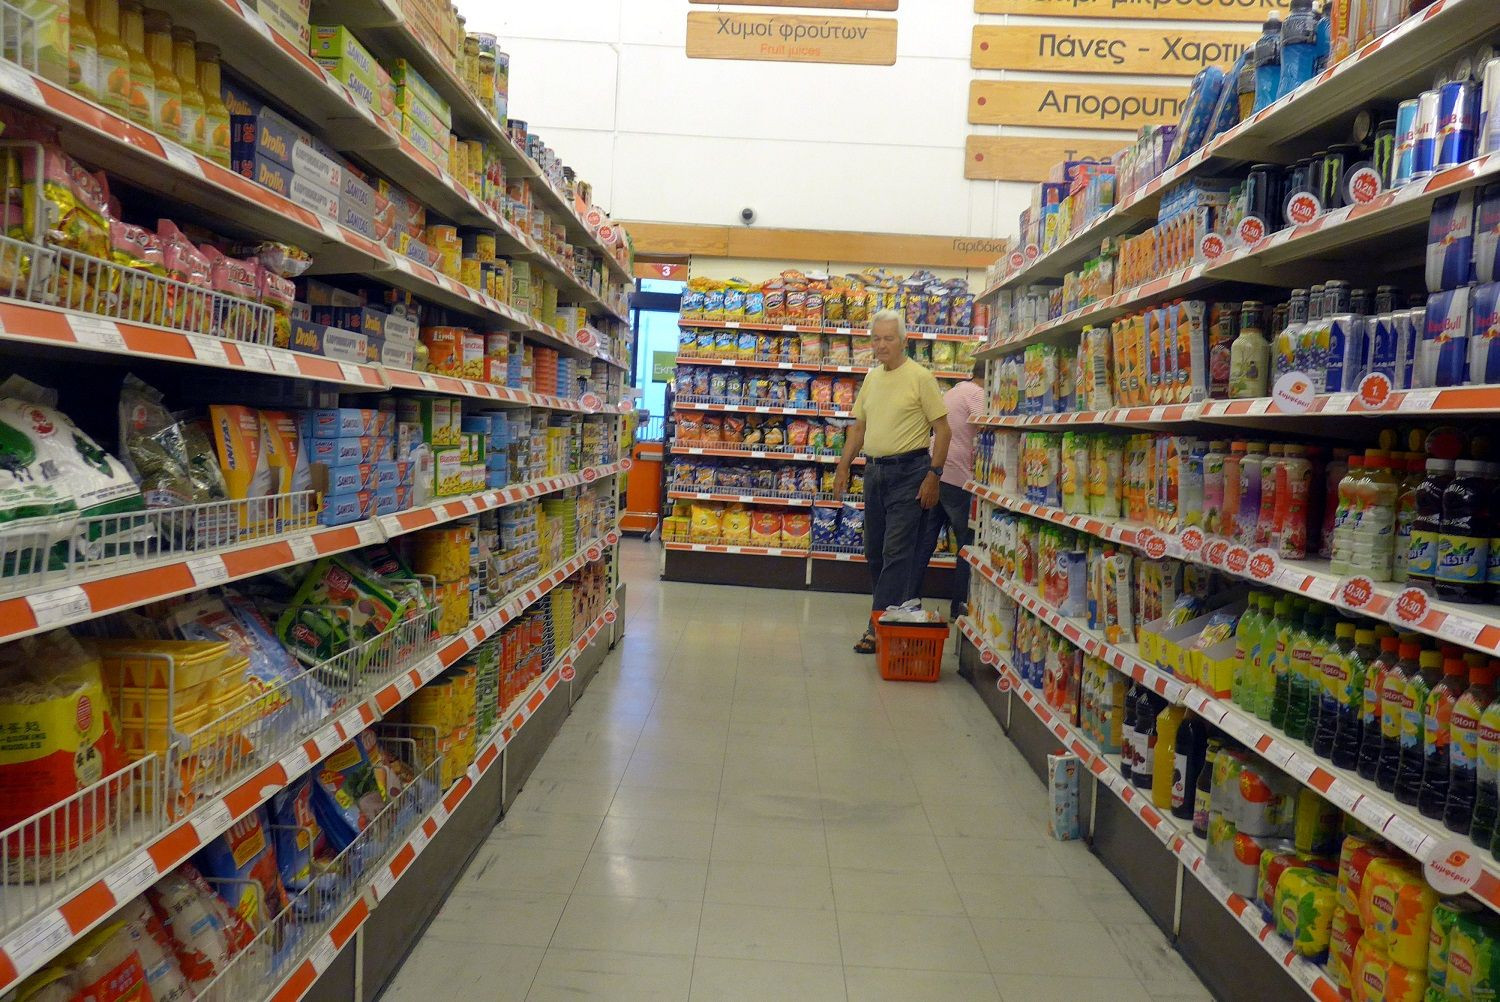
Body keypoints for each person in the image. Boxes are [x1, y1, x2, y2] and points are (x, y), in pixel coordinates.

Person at [833, 310, 951, 654]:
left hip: (910, 473)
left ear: (904, 341)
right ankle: (892, 613)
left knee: (895, 552)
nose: (881, 345)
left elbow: (943, 430)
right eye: (876, 338)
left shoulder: (920, 378)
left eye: (888, 338)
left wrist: (934, 475)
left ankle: (876, 627)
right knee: (874, 552)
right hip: (874, 473)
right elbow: (859, 428)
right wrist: (843, 466)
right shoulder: (872, 378)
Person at [908, 360, 984, 619]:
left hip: (936, 471)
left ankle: (910, 599)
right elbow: (989, 426)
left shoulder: (955, 390)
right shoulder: (978, 394)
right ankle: (959, 606)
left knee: (924, 542)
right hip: (959, 478)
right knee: (967, 544)